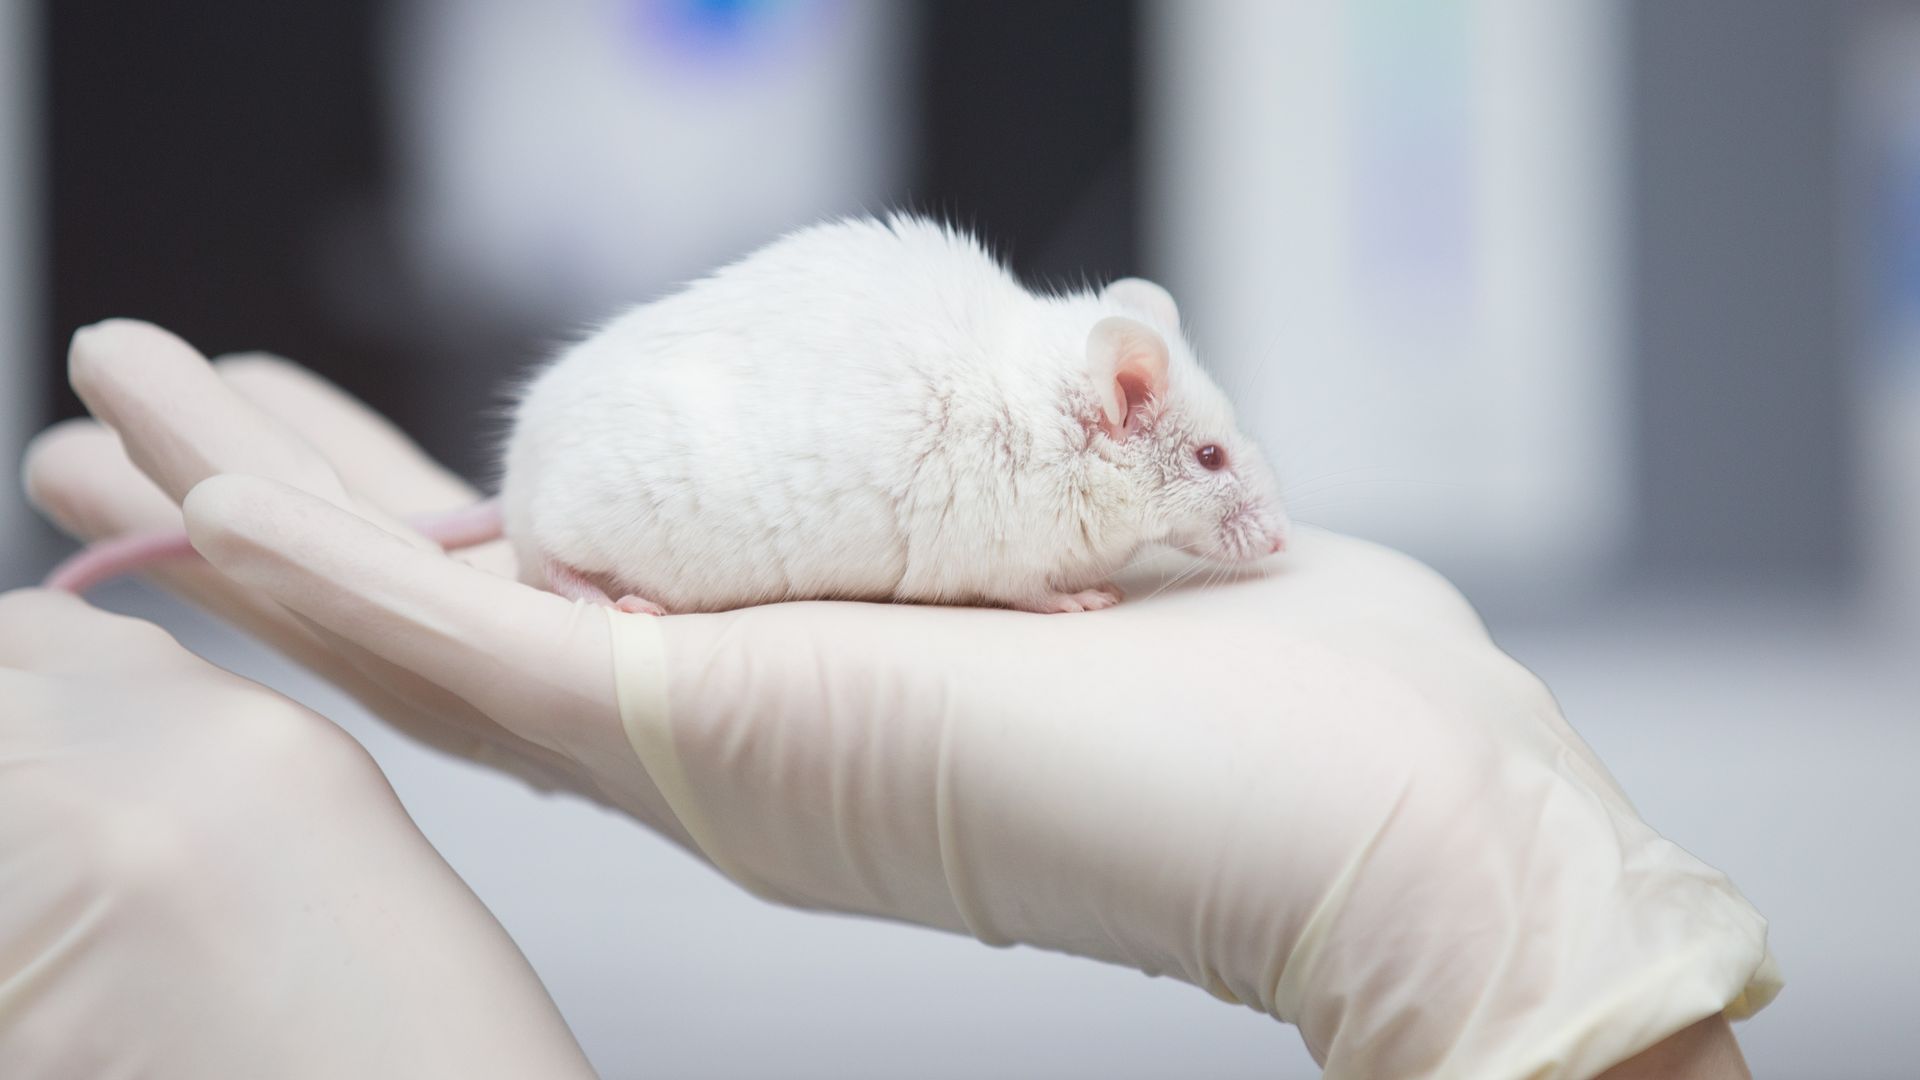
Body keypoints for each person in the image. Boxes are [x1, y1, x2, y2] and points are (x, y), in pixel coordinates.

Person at [8, 320, 1779, 1078]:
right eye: (1218, 462)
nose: (1259, 510)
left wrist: (1473, 899)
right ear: (1128, 395)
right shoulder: (1049, 436)